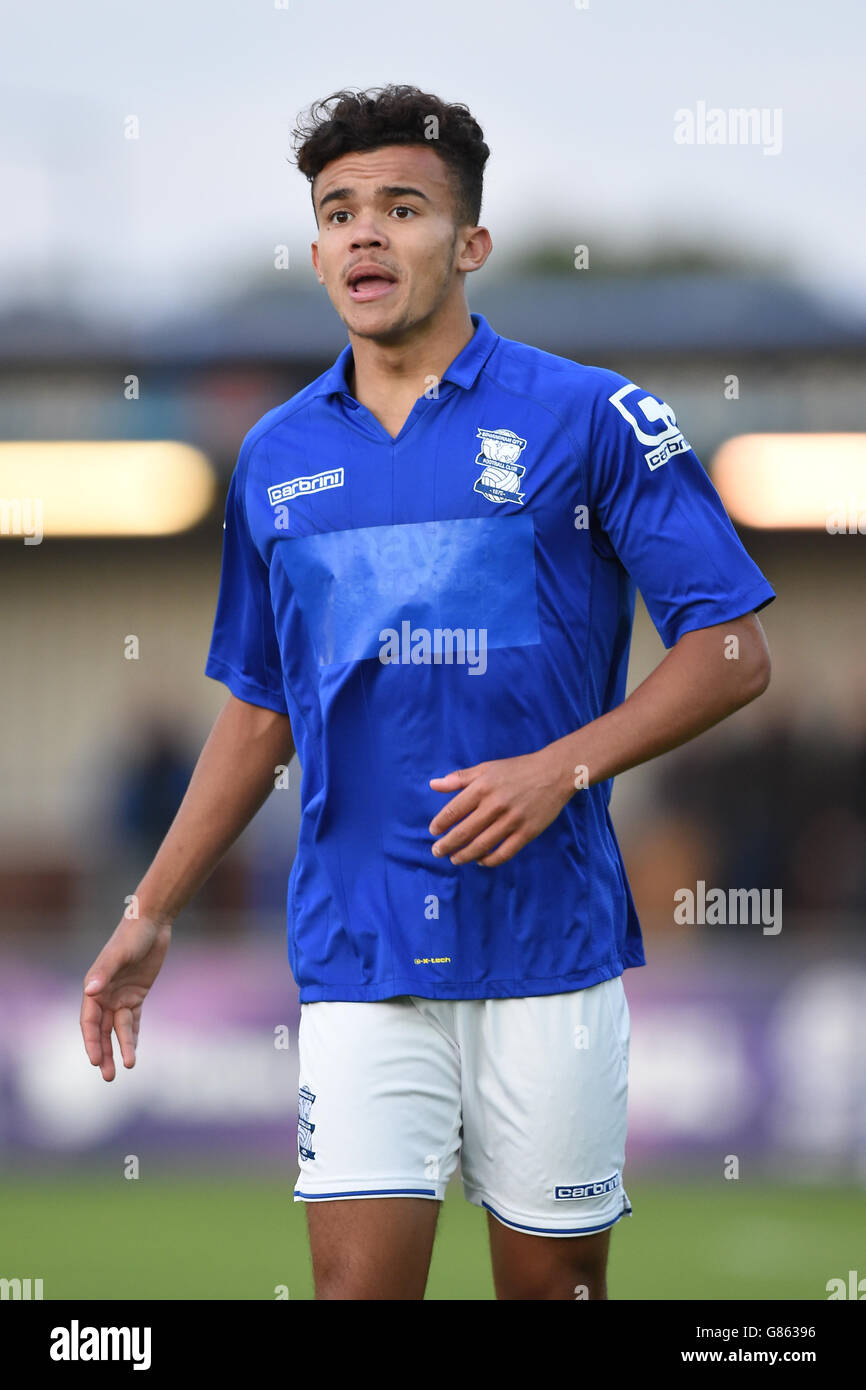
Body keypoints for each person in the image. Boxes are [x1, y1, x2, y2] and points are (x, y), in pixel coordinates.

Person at [80, 84, 775, 1301]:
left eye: (400, 208)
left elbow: (729, 648)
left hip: (547, 950)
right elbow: (258, 709)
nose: (363, 233)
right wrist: (150, 909)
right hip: (359, 951)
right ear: (312, 251)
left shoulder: (590, 416)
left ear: (469, 245)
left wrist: (563, 766)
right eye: (337, 211)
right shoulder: (275, 458)